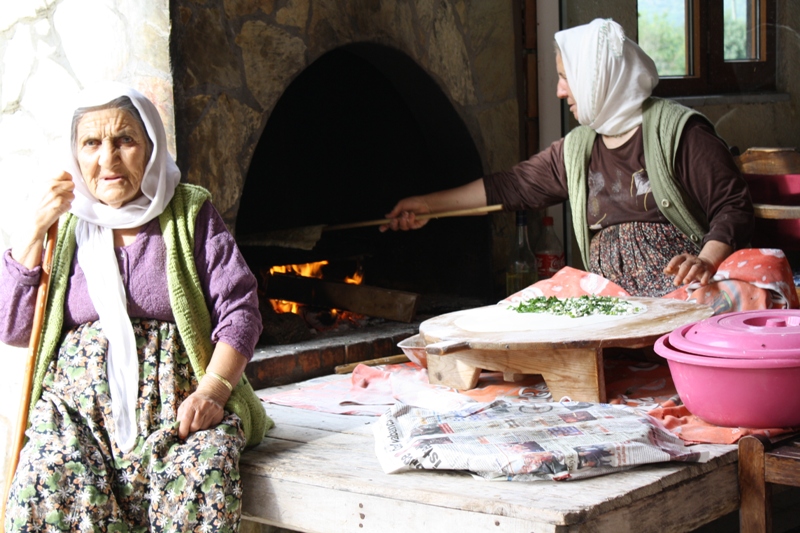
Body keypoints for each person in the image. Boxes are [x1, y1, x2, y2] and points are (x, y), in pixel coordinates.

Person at [0, 83, 270, 531]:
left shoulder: (189, 211)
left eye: (124, 140)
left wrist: (213, 392)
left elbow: (241, 309)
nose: (107, 159)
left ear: (151, 146)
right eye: (91, 143)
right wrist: (32, 230)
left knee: (203, 479)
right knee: (46, 486)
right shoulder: (62, 224)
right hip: (77, 417)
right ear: (75, 153)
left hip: (180, 410)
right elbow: (12, 327)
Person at [382, 18, 754, 298]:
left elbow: (733, 205)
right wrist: (428, 205)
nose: (560, 91)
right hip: (612, 301)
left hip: (679, 293)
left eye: (566, 77)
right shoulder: (579, 148)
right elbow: (511, 186)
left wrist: (705, 260)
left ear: (598, 76)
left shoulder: (678, 132)